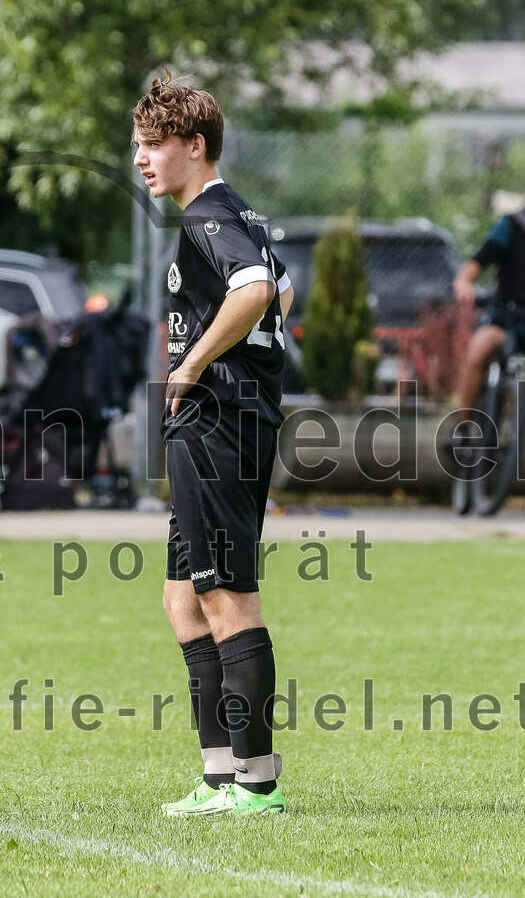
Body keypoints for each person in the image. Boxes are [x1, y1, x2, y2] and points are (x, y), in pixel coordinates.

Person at [131, 74, 294, 816]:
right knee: (182, 600)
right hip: (221, 421)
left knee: (228, 597)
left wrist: (194, 363)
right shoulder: (235, 212)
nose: (142, 158)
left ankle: (256, 784)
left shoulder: (207, 217)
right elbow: (282, 287)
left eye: (153, 144)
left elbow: (257, 289)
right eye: (138, 145)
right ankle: (220, 773)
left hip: (218, 423)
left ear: (194, 146)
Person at [450, 172, 525, 431]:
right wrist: (464, 281)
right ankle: (464, 429)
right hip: (508, 319)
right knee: (479, 347)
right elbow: (480, 259)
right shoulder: (511, 226)